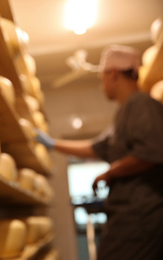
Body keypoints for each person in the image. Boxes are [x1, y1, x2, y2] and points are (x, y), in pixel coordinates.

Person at [35, 45, 163, 260]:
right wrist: (51, 143)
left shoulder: (140, 104)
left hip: (142, 218)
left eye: (101, 77)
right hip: (130, 218)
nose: (100, 84)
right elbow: (95, 147)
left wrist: (111, 172)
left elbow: (151, 152)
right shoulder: (125, 111)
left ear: (113, 73)